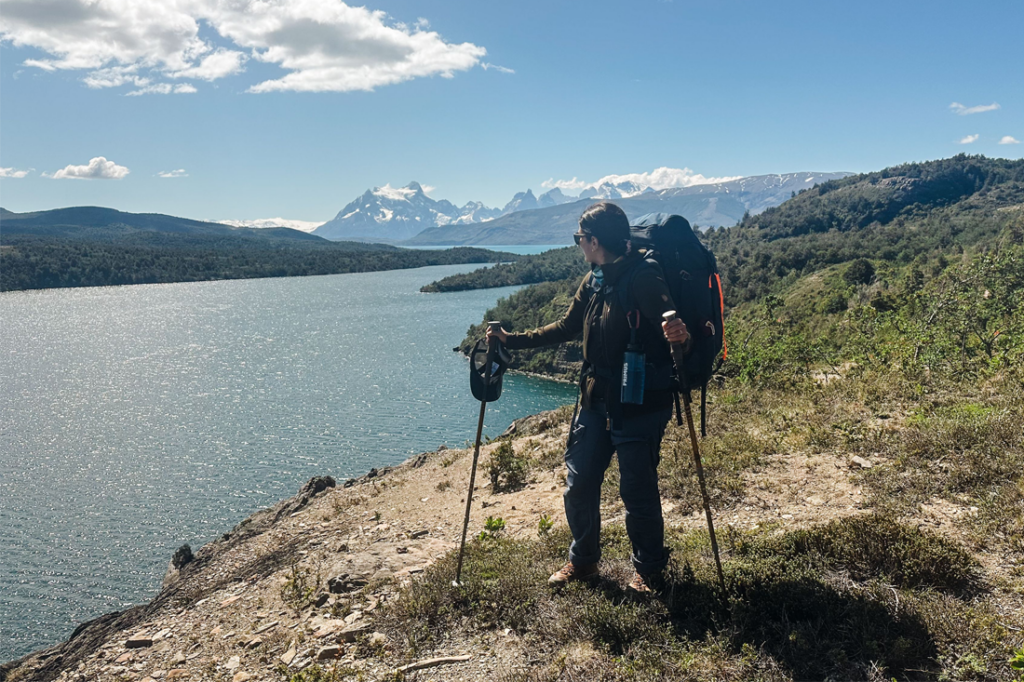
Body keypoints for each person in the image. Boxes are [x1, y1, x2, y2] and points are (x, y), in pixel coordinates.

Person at [487, 201, 688, 594]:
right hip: (596, 403)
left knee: (636, 490)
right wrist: (513, 341)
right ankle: (583, 563)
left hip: (640, 403)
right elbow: (567, 326)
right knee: (579, 485)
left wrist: (683, 336)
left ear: (594, 241)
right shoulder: (595, 278)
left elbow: (677, 336)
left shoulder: (645, 277)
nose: (579, 244)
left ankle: (649, 572)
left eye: (580, 238)